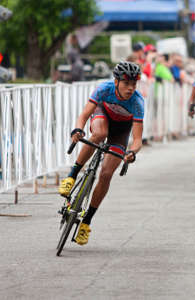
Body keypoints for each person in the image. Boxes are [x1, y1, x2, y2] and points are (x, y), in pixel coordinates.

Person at [58, 61, 144, 245]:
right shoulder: (104, 89)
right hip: (102, 115)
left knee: (105, 174)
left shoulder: (137, 101)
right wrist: (78, 130)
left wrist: (132, 152)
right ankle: (72, 176)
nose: (130, 88)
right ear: (116, 81)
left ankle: (86, 222)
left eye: (134, 84)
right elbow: (83, 115)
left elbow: (137, 140)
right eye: (126, 83)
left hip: (121, 131)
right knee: (99, 134)